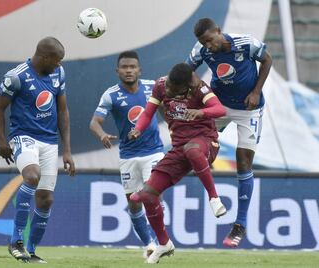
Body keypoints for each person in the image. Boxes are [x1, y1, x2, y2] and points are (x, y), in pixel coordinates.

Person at [186, 17, 272, 247]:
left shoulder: (246, 43)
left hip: (249, 109)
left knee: (243, 161)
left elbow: (267, 60)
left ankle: (240, 224)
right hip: (220, 107)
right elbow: (187, 71)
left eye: (210, 40)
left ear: (218, 31)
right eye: (203, 43)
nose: (208, 46)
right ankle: (206, 168)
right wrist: (201, 90)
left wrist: (256, 91)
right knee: (196, 146)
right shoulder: (201, 50)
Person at [129, 63, 227, 264]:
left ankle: (214, 197)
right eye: (169, 87)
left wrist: (202, 113)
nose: (169, 92)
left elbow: (219, 109)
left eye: (175, 90)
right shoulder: (161, 85)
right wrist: (138, 128)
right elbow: (148, 113)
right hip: (179, 148)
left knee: (192, 149)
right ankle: (164, 243)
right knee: (148, 194)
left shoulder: (200, 88)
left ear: (187, 85)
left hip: (206, 142)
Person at [0, 37, 75, 263]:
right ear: (45, 57)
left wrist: (67, 150)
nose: (59, 65)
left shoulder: (59, 74)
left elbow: (63, 111)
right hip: (23, 137)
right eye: (56, 61)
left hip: (49, 142)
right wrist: (2, 142)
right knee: (31, 176)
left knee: (46, 199)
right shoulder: (16, 76)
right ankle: (16, 240)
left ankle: (31, 250)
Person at [89, 51, 164, 258]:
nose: (129, 70)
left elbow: (166, 108)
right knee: (133, 202)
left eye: (132, 67)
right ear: (117, 71)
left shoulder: (153, 87)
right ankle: (149, 244)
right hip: (128, 155)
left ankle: (161, 241)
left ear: (140, 69)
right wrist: (102, 135)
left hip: (153, 151)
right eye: (124, 67)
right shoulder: (111, 95)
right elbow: (94, 122)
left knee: (153, 194)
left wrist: (175, 128)